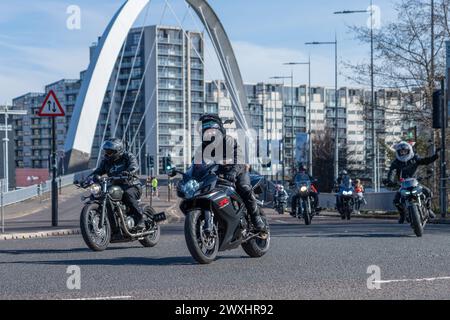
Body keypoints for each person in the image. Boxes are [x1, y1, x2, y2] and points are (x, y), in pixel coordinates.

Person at [195, 114, 267, 232]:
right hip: (216, 176)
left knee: (244, 187)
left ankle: (256, 218)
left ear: (219, 131)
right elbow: (196, 166)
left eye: (212, 131)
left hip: (237, 171)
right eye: (206, 132)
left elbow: (239, 159)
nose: (210, 134)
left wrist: (233, 172)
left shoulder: (228, 141)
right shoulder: (200, 149)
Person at [91, 138, 145, 229]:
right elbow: (98, 171)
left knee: (128, 194)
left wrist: (129, 172)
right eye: (106, 151)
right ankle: (113, 226)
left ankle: (141, 220)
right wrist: (89, 178)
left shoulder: (128, 156)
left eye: (109, 151)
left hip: (132, 185)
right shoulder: (106, 161)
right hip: (116, 186)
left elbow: (134, 165)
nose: (107, 154)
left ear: (117, 150)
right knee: (102, 196)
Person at [385, 141, 439, 224]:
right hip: (403, 184)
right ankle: (402, 215)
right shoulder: (396, 162)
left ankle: (428, 209)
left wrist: (435, 156)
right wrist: (390, 181)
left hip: (415, 182)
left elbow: (425, 161)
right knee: (396, 201)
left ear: (409, 151)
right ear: (398, 152)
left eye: (405, 151)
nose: (403, 153)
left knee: (428, 192)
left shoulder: (415, 158)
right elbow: (391, 172)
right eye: (401, 152)